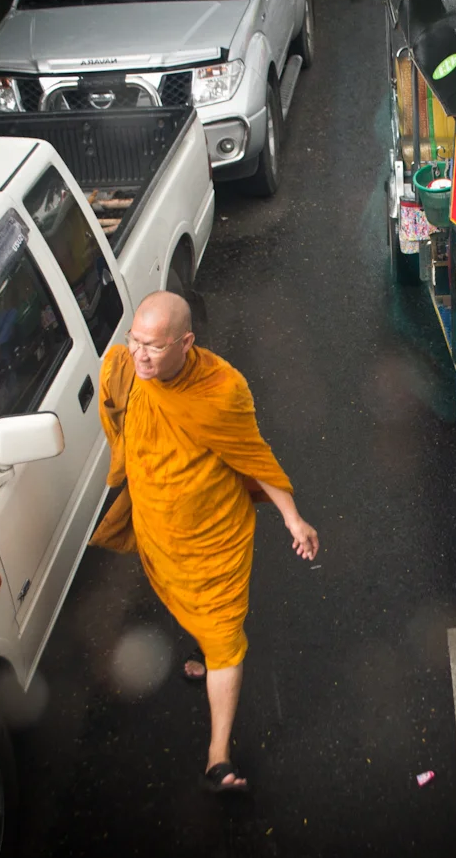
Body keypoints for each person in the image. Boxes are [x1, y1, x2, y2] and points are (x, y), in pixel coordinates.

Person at [93, 291, 320, 793]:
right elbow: (114, 408)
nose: (141, 355)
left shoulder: (221, 389)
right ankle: (208, 655)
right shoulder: (125, 367)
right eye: (135, 341)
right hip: (160, 526)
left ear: (186, 342)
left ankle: (217, 757)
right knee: (184, 603)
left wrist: (293, 519)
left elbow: (254, 457)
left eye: (153, 346)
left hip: (213, 536)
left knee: (222, 633)